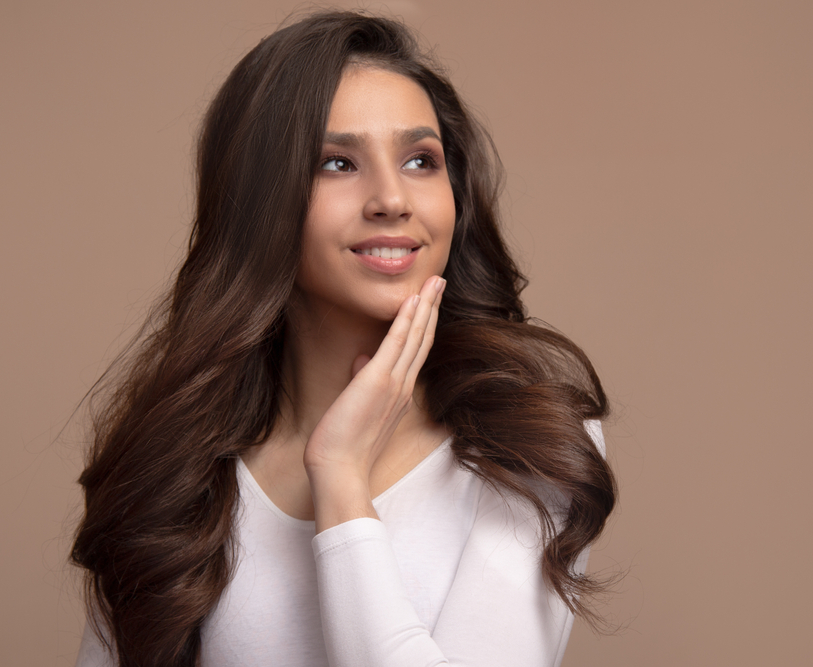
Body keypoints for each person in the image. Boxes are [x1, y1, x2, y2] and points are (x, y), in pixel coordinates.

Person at [72, 10, 615, 667]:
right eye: (337, 162)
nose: (391, 198)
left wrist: (339, 480)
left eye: (421, 159)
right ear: (260, 201)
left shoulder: (532, 445)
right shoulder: (177, 467)